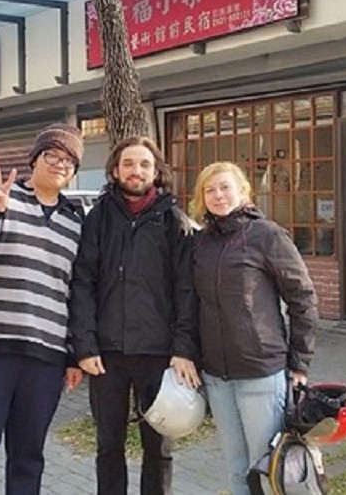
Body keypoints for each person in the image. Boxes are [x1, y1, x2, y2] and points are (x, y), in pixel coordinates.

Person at [0, 123, 85, 495]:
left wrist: (73, 354)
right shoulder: (3, 202)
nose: (60, 164)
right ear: (34, 159)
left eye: (69, 160)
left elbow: (77, 293)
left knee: (28, 462)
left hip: (45, 361)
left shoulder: (76, 222)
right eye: (52, 155)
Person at [69, 136, 200, 495]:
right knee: (108, 446)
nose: (136, 171)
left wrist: (183, 348)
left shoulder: (173, 220)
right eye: (128, 163)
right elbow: (83, 283)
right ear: (115, 170)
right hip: (107, 355)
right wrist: (85, 346)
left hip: (159, 353)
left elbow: (186, 290)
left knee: (158, 449)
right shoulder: (98, 218)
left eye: (144, 164)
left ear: (156, 172)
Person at [191, 161, 319, 495]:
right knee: (237, 468)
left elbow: (302, 298)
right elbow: (192, 305)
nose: (218, 195)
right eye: (209, 190)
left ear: (243, 190)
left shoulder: (267, 235)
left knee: (268, 467)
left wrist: (300, 363)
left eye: (225, 187)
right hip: (217, 376)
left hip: (261, 373)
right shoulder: (201, 243)